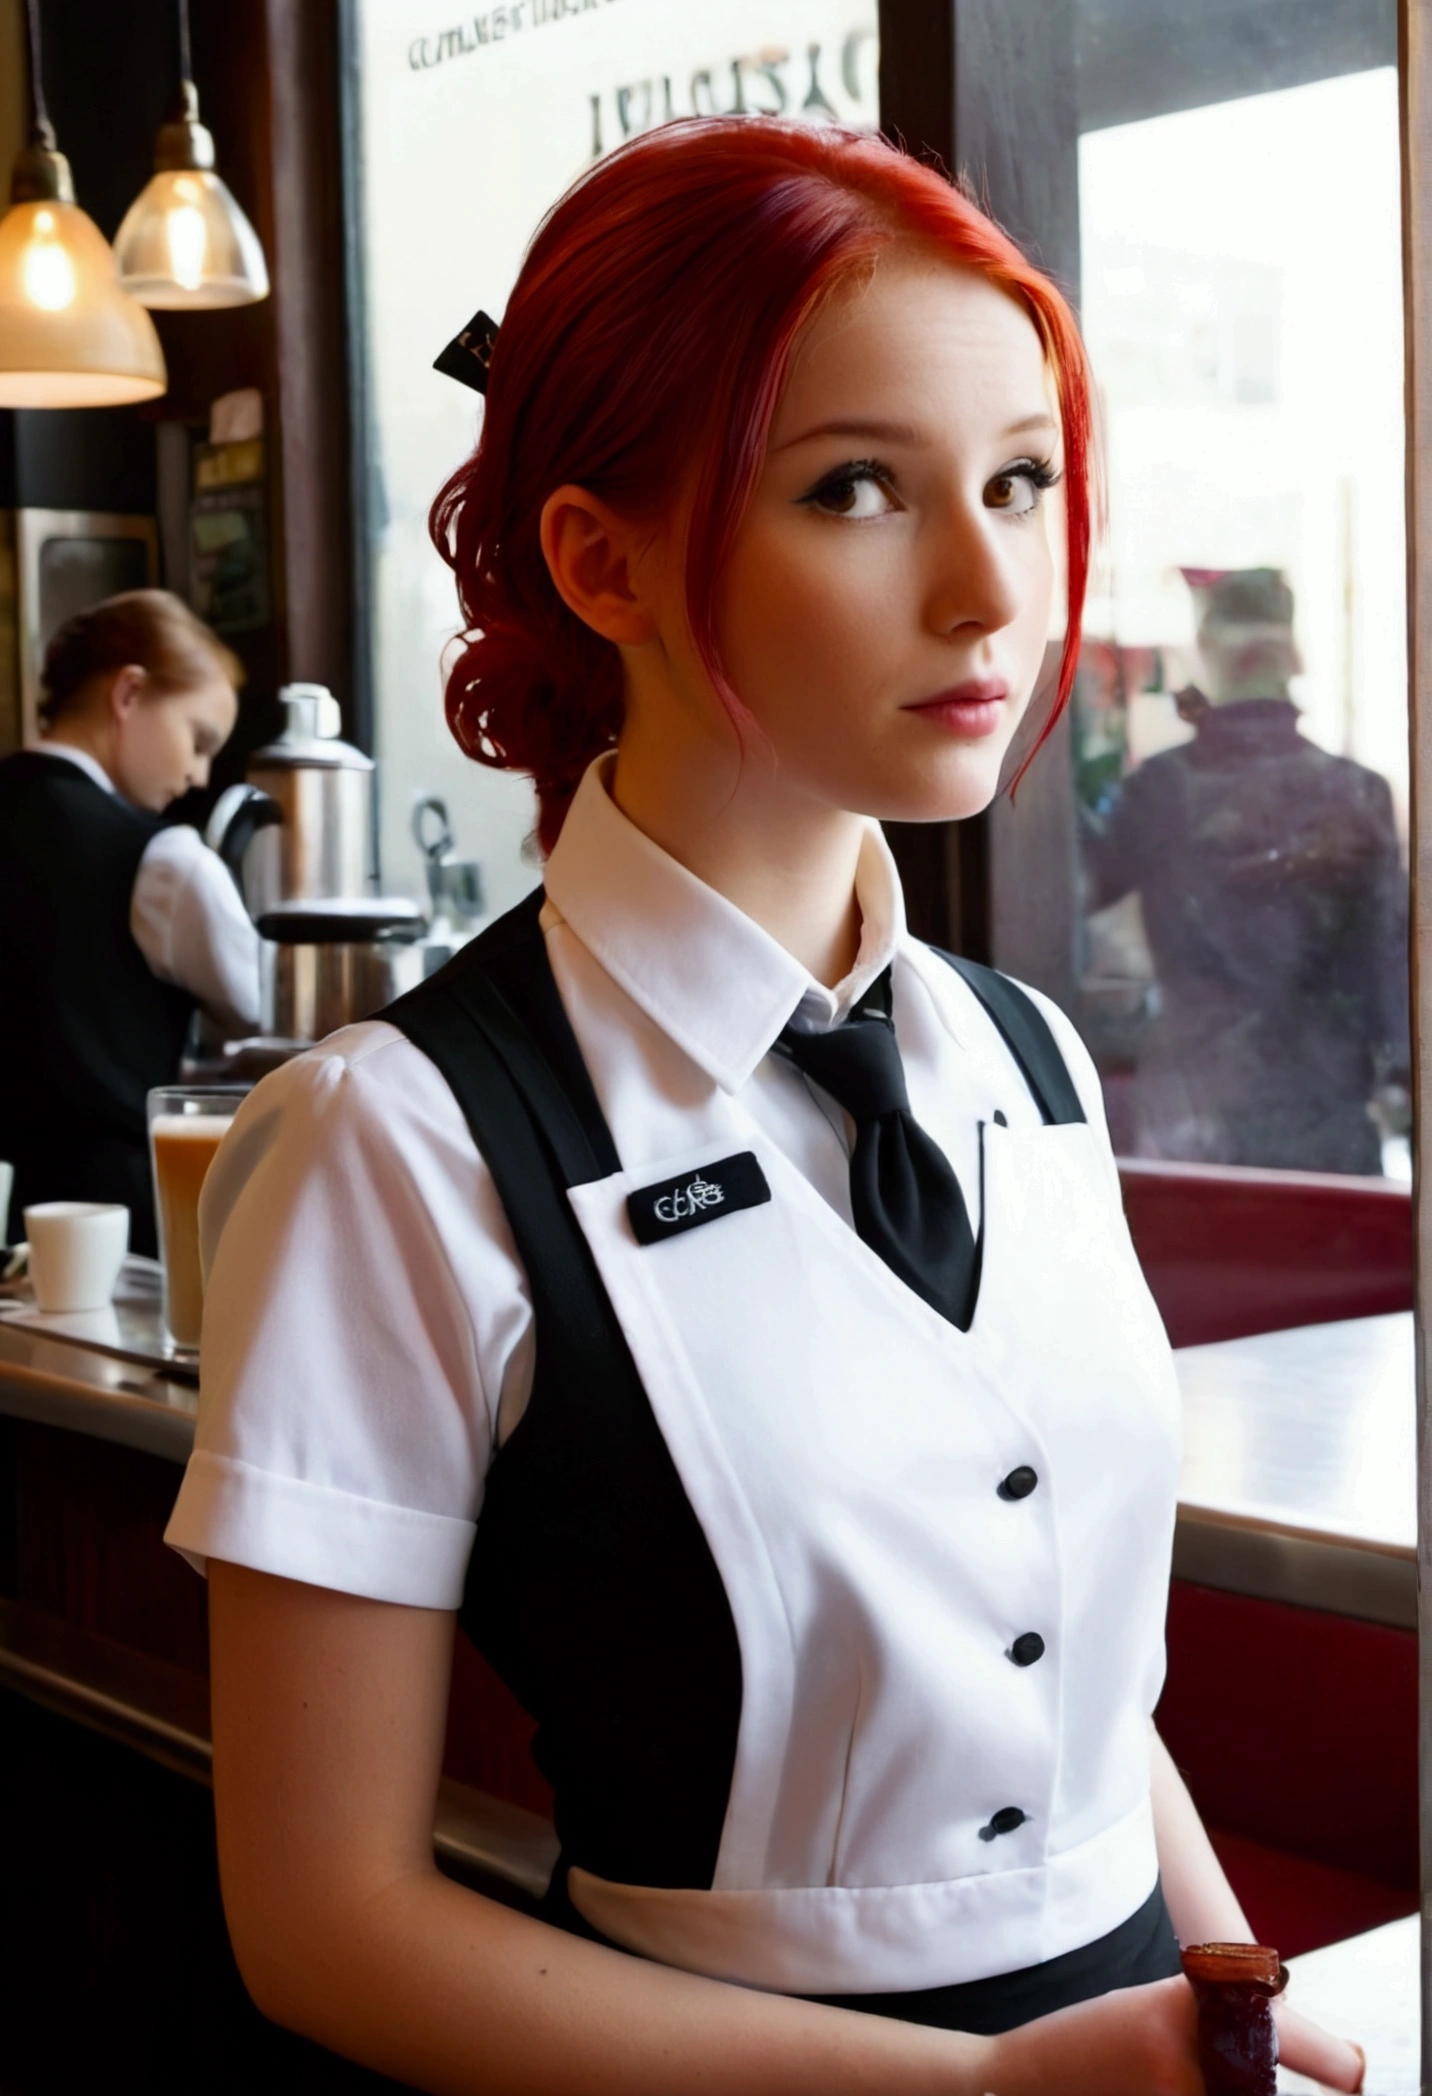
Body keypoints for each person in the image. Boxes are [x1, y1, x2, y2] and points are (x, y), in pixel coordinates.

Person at [165, 122, 1364, 2094]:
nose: (990, 589)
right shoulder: (402, 1138)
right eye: (856, 489)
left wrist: (1224, 1977)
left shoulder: (1026, 1058)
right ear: (597, 557)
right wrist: (974, 2092)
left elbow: (1061, 1658)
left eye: (1020, 481)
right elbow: (320, 1919)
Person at [1084, 567, 1409, 1174]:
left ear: (1209, 657)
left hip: (1201, 1114)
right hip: (1316, 1109)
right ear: (1290, 658)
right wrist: (1401, 1084)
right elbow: (1390, 963)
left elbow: (1057, 905)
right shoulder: (1356, 792)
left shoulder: (1162, 790)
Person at [0, 590, 260, 1254]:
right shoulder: (163, 860)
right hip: (107, 1235)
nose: (199, 774)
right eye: (197, 739)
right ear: (130, 694)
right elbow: (260, 1013)